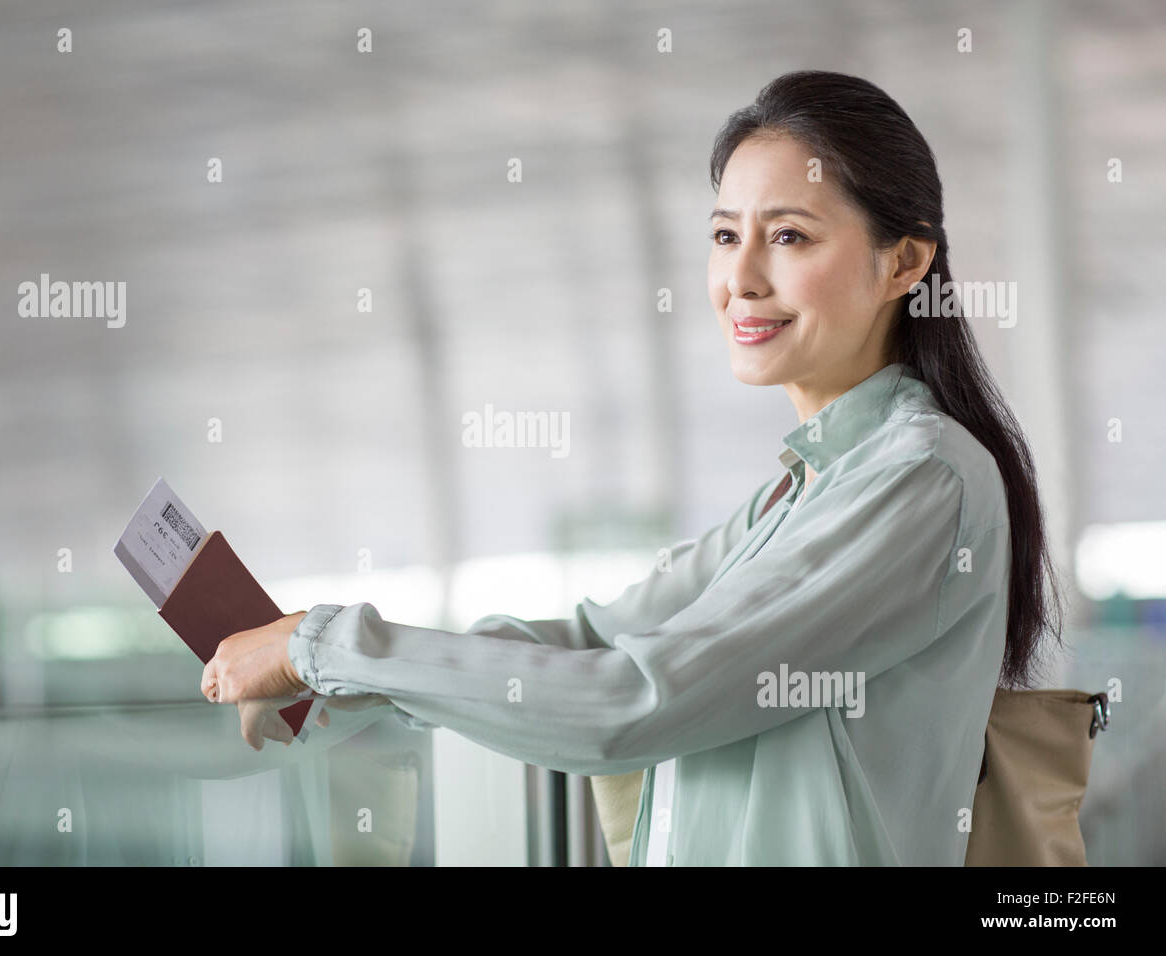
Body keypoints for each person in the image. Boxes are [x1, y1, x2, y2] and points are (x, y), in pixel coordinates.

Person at [199, 70, 1067, 866]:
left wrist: (328, 648)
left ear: (905, 264)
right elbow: (592, 638)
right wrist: (335, 674)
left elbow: (634, 701)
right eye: (726, 236)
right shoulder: (799, 491)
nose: (741, 279)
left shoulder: (921, 478)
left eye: (789, 236)